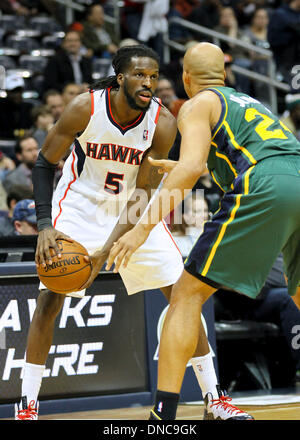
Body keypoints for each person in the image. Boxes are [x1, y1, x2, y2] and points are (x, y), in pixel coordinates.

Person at [14, 44, 236, 421]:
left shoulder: (163, 123)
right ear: (120, 78)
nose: (148, 82)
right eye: (138, 75)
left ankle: (214, 398)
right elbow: (43, 162)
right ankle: (28, 404)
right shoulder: (85, 108)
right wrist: (45, 226)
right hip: (79, 205)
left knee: (183, 295)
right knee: (50, 300)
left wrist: (114, 244)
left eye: (152, 76)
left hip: (131, 210)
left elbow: (145, 192)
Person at [106, 42, 300, 420]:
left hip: (266, 183)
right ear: (224, 74)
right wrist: (178, 164)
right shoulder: (249, 102)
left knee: (186, 295)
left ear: (186, 78)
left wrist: (140, 229)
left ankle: (163, 415)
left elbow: (193, 169)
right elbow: (246, 155)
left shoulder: (196, 104)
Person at [267, 0, 300, 84]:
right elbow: (272, 39)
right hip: (286, 62)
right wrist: (293, 33)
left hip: (297, 60)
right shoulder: (280, 14)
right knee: (295, 89)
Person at [0, 73, 34, 139]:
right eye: (14, 91)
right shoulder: (1, 108)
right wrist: (16, 133)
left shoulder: (28, 107)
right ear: (7, 92)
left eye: (19, 91)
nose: (17, 95)